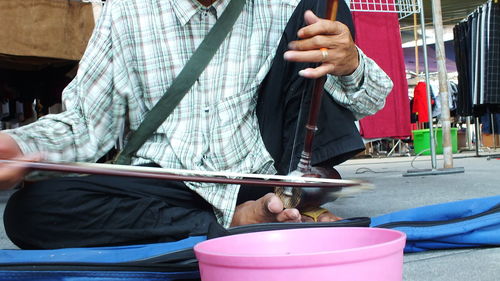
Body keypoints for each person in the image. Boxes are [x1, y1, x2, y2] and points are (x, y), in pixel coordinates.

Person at [0, 0, 392, 249]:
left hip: (261, 174)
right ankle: (236, 223)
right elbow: (87, 123)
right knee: (29, 212)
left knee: (320, 9)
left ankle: (287, 199)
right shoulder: (126, 11)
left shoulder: (289, 5)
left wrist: (351, 62)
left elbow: (371, 100)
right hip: (166, 186)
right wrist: (18, 145)